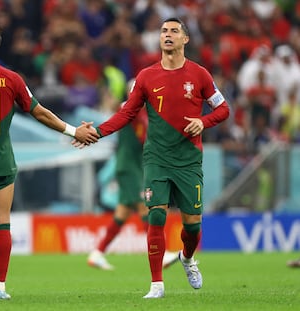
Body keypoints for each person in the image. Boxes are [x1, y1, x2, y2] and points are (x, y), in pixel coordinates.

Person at [74, 17, 230, 298]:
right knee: (155, 216)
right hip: (156, 158)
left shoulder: (200, 75)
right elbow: (126, 114)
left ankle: (187, 258)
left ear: (185, 39)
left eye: (174, 31)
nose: (167, 35)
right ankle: (156, 284)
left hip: (189, 159)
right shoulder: (146, 77)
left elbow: (223, 110)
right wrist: (96, 131)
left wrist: (203, 122)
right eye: (163, 31)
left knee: (192, 226)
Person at [0, 17, 98, 301]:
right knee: (2, 224)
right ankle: (0, 288)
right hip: (2, 162)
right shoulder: (12, 79)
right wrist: (73, 130)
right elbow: (39, 112)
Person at [88, 81, 178, 271]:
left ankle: (97, 253)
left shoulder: (143, 113)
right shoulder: (132, 109)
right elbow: (142, 134)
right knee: (146, 207)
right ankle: (160, 255)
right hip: (129, 167)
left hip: (132, 167)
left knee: (122, 213)